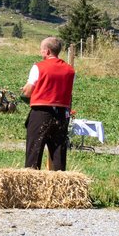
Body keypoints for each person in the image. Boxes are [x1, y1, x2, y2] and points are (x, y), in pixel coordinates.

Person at [22, 36, 76, 171]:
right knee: (58, 153)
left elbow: (28, 91)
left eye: (41, 50)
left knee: (34, 152)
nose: (41, 53)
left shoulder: (39, 67)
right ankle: (60, 184)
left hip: (41, 112)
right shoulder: (70, 70)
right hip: (61, 114)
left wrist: (25, 89)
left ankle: (31, 183)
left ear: (47, 51)